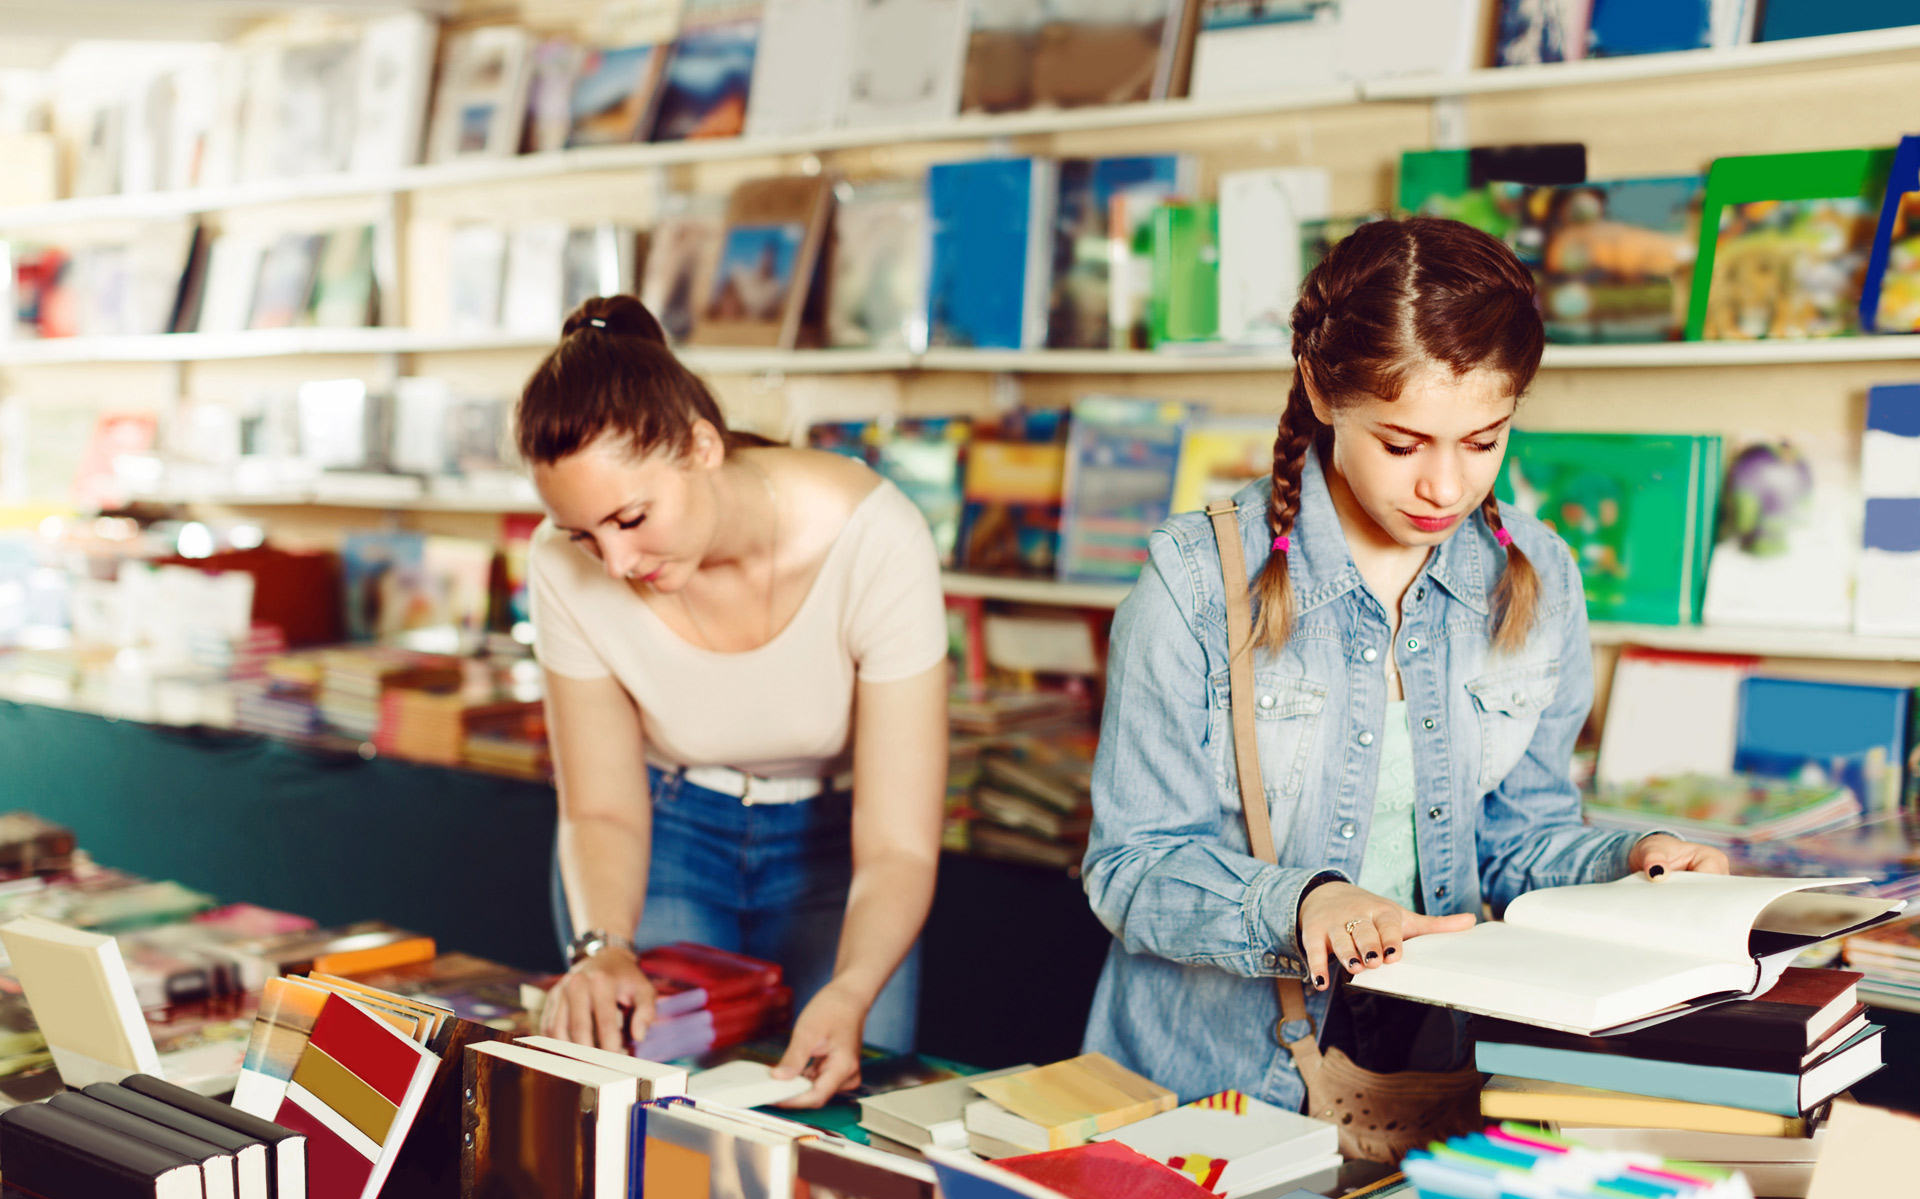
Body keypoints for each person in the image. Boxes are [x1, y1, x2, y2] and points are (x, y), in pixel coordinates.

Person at [1080, 218, 1729, 1107]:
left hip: (1440, 1074)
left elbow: (1516, 841)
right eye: (1402, 443)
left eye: (1483, 441)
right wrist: (1304, 905)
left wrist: (1631, 862)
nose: (1446, 488)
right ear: (1319, 387)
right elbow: (1133, 868)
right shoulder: (1192, 586)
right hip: (1214, 1084)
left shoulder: (1537, 581)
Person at [518, 295, 949, 1105]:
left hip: (840, 853)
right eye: (584, 535)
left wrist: (853, 989)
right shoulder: (560, 565)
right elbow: (601, 808)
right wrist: (603, 948)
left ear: (700, 445)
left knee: (845, 1101)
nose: (612, 561)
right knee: (662, 1114)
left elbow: (898, 844)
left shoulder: (875, 538)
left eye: (631, 518)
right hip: (670, 832)